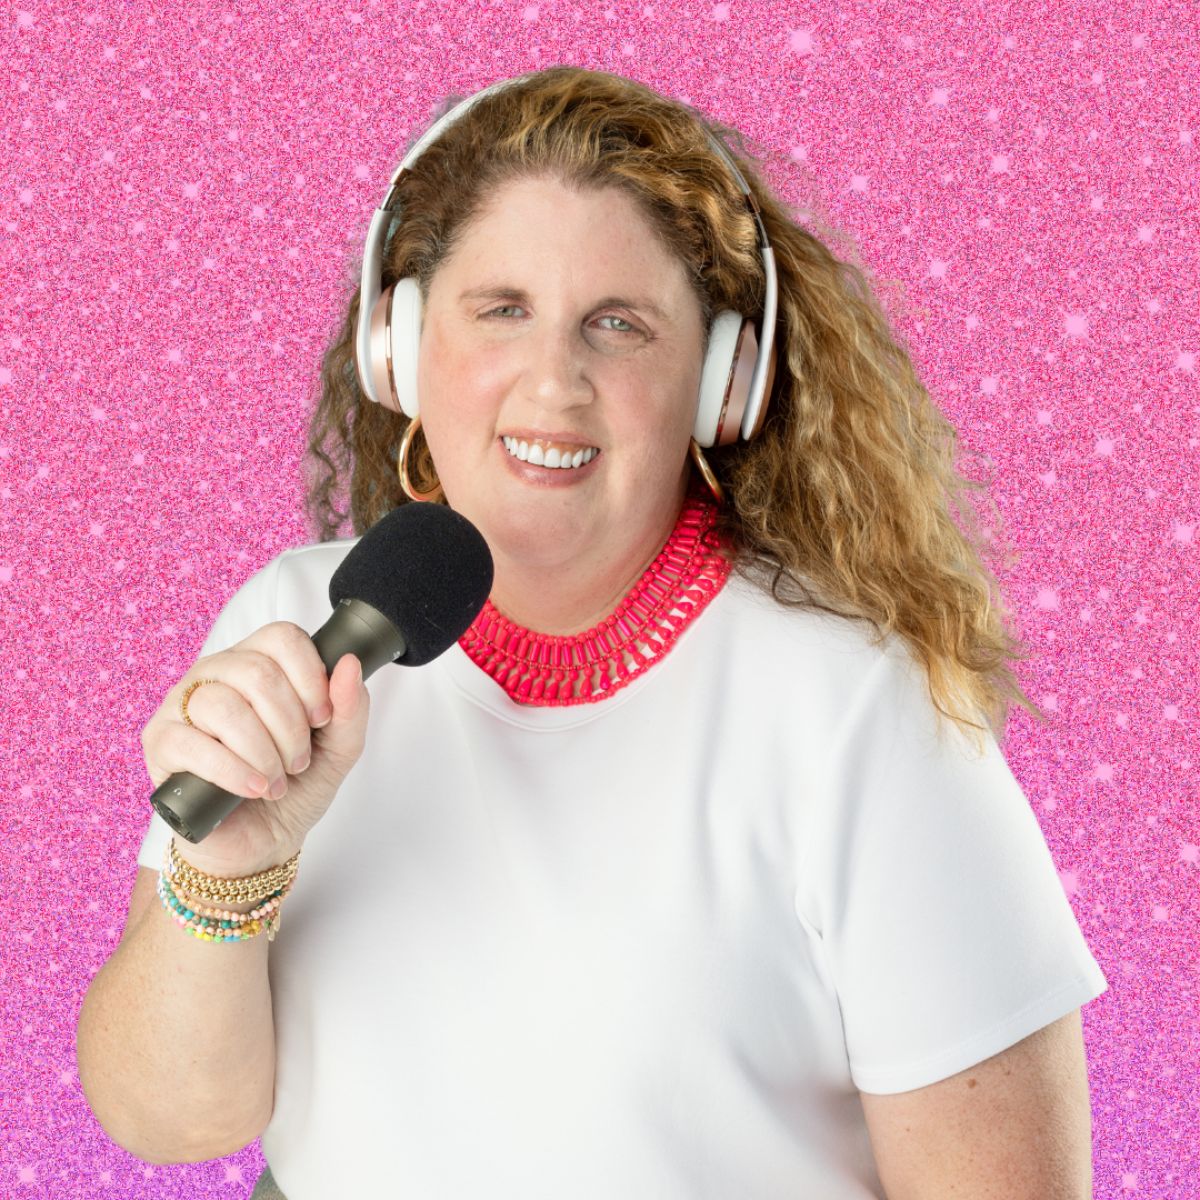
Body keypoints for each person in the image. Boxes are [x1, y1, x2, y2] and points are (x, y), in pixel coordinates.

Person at [76, 67, 1108, 1199]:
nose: (554, 382)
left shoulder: (855, 704)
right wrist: (227, 868)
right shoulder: (295, 627)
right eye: (501, 309)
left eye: (618, 326)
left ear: (718, 385)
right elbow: (168, 1122)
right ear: (401, 348)